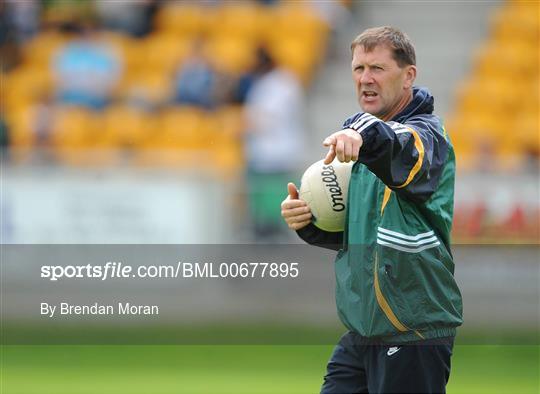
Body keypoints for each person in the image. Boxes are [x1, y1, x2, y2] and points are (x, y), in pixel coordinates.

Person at [281, 26, 463, 393]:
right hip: (363, 331)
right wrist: (309, 221)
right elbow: (366, 238)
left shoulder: (427, 136)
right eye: (358, 69)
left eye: (377, 68)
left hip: (413, 329)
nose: (365, 79)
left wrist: (360, 130)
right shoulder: (365, 147)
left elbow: (400, 149)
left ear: (408, 75)